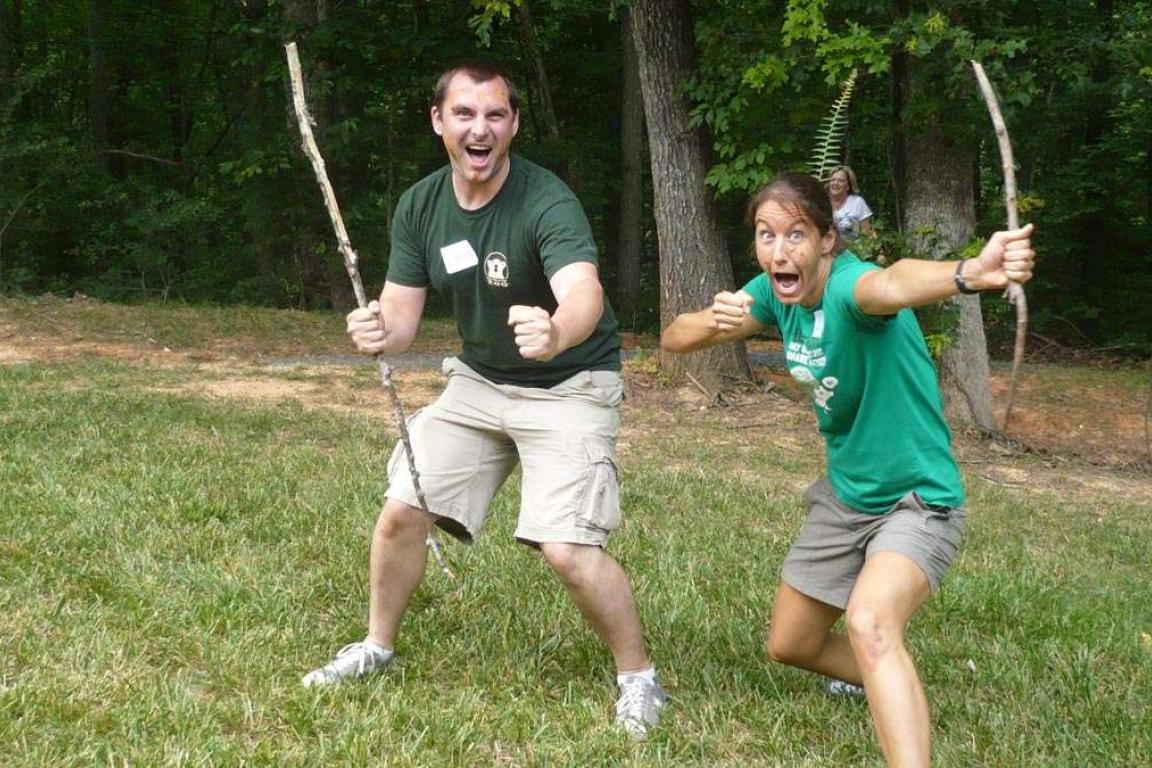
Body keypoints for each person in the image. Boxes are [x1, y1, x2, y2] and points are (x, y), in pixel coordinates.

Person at [301, 61, 665, 739]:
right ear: (439, 121)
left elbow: (584, 291)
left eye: (495, 115)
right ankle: (377, 647)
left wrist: (557, 329)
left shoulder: (544, 200)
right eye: (464, 113)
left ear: (512, 125)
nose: (481, 128)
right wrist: (375, 328)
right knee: (400, 514)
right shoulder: (421, 204)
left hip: (571, 386)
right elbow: (401, 318)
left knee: (566, 549)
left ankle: (638, 676)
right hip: (479, 382)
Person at [661, 172, 1034, 767]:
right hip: (845, 496)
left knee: (869, 622)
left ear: (828, 241)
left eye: (796, 235)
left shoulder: (851, 289)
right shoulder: (771, 293)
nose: (779, 251)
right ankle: (889, 678)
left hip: (917, 499)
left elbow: (894, 282)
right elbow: (674, 339)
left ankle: (892, 688)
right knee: (791, 643)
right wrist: (717, 317)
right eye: (765, 235)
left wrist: (968, 274)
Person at [827, 165, 874, 241]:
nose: (835, 183)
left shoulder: (857, 202)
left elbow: (867, 233)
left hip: (853, 249)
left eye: (840, 180)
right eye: (833, 180)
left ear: (848, 186)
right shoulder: (822, 202)